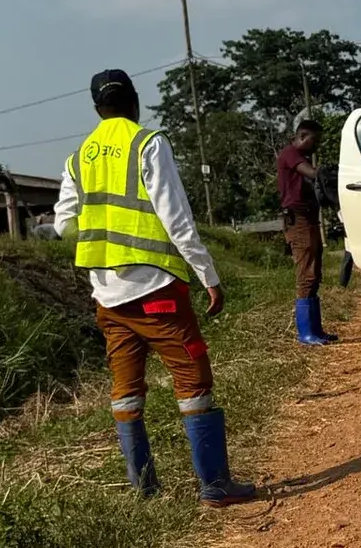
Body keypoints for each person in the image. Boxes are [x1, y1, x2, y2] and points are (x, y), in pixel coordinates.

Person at [54, 69, 258, 506]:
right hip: (156, 289)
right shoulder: (147, 143)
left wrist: (100, 246)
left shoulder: (78, 158)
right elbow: (176, 217)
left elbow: (63, 225)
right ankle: (215, 484)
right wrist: (208, 275)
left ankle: (144, 490)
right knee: (193, 378)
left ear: (96, 109)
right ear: (134, 101)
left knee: (126, 390)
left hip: (107, 297)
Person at [275, 115, 335, 346]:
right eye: (314, 140)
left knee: (314, 272)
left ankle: (316, 330)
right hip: (298, 220)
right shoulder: (291, 154)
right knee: (306, 273)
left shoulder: (301, 156)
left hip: (308, 218)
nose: (316, 145)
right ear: (302, 136)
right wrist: (328, 173)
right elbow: (312, 173)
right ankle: (306, 333)